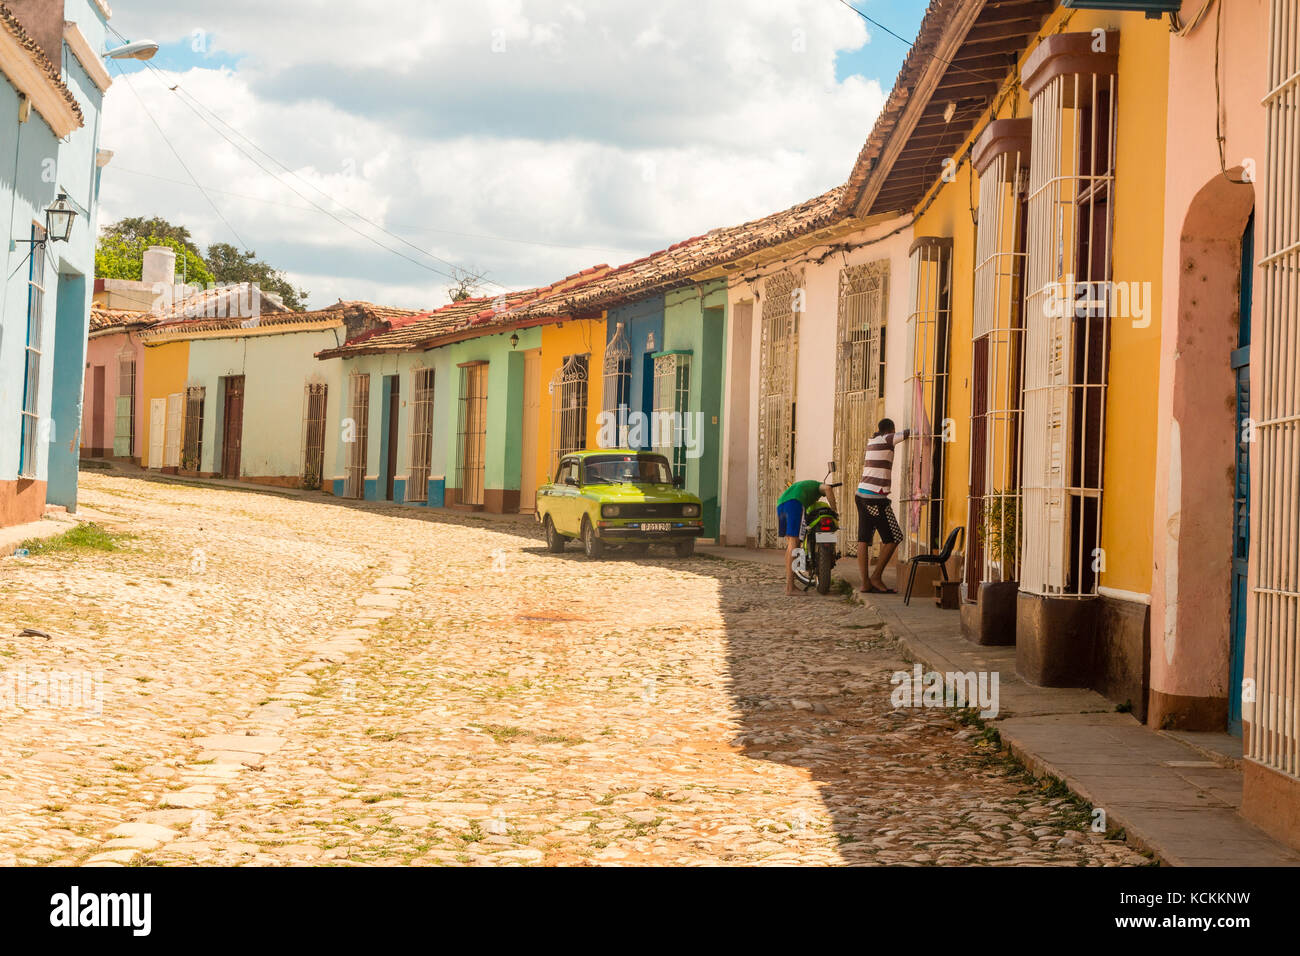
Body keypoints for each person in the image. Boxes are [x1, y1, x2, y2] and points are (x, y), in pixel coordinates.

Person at [855, 418, 910, 594]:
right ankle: (876, 576)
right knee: (894, 537)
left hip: (861, 495)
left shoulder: (872, 441)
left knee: (863, 539)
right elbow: (908, 433)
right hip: (875, 498)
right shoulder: (887, 439)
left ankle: (865, 583)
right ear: (890, 430)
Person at [776, 478, 838, 596]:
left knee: (791, 544)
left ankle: (790, 583)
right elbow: (828, 488)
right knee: (795, 544)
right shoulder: (817, 485)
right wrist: (834, 510)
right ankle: (790, 587)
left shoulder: (802, 486)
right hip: (794, 503)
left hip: (781, 504)